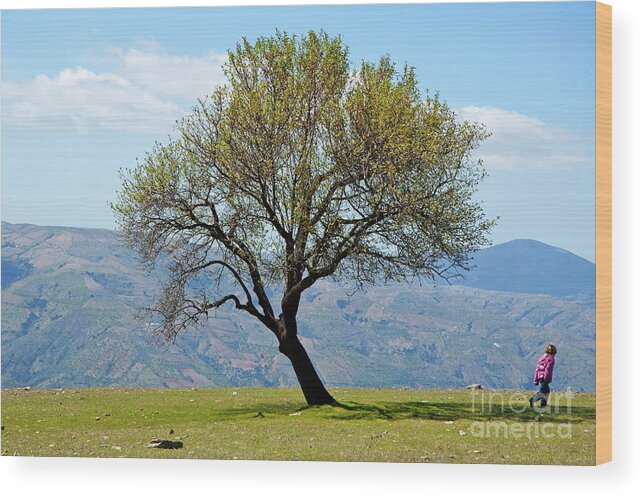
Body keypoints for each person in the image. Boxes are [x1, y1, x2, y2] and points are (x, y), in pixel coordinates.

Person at [530, 344, 557, 408]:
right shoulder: (551, 359)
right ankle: (534, 399)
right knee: (543, 391)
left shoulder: (541, 358)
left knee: (545, 390)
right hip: (545, 378)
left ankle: (543, 403)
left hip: (540, 377)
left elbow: (537, 369)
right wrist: (548, 378)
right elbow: (548, 370)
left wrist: (535, 380)